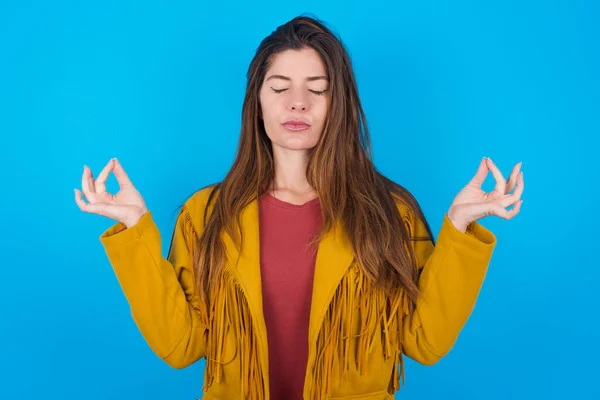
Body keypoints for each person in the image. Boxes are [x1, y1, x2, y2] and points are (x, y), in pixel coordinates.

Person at [74, 15, 524, 400]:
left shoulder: (391, 212)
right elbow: (181, 345)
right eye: (280, 87)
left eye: (318, 89)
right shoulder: (206, 214)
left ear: (338, 103)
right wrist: (134, 229)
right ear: (258, 102)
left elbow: (424, 341)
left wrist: (460, 229)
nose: (298, 102)